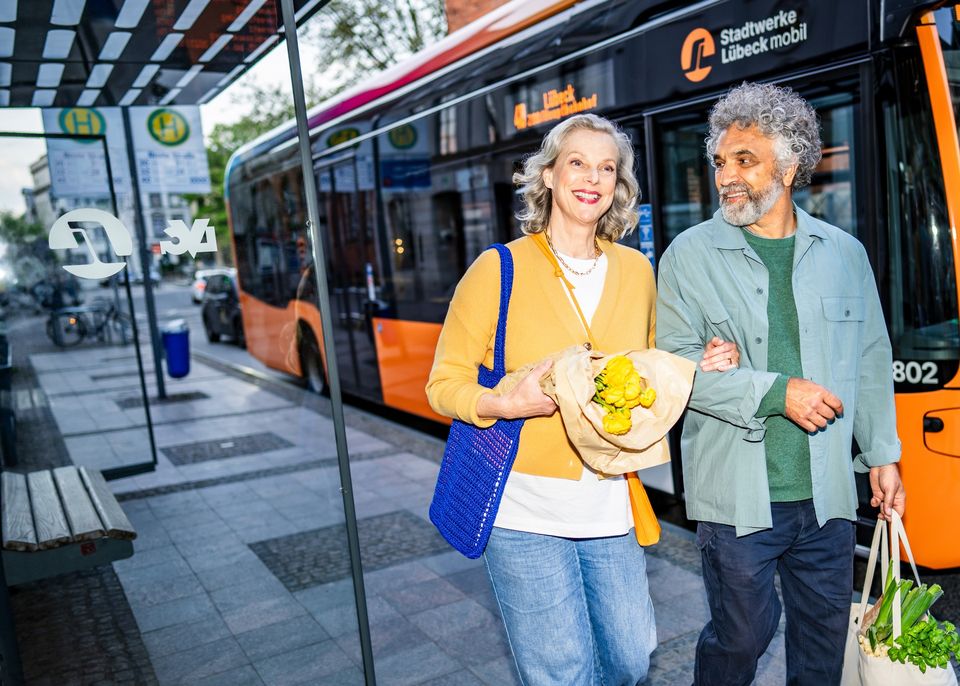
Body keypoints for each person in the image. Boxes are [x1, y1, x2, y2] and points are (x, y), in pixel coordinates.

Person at [426, 113, 738, 685]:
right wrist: (505, 404)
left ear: (617, 184)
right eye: (577, 163)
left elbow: (649, 366)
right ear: (548, 175)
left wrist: (698, 365)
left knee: (631, 655)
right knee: (560, 670)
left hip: (610, 500)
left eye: (607, 168)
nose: (592, 178)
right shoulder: (498, 269)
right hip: (522, 507)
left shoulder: (637, 270)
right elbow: (442, 385)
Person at [655, 82, 906, 685]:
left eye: (745, 160)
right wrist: (774, 392)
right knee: (740, 640)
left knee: (822, 645)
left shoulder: (844, 253)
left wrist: (882, 454)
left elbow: (871, 358)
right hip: (736, 497)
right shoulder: (688, 255)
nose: (726, 177)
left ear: (790, 167)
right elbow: (671, 371)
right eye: (720, 161)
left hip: (827, 496)